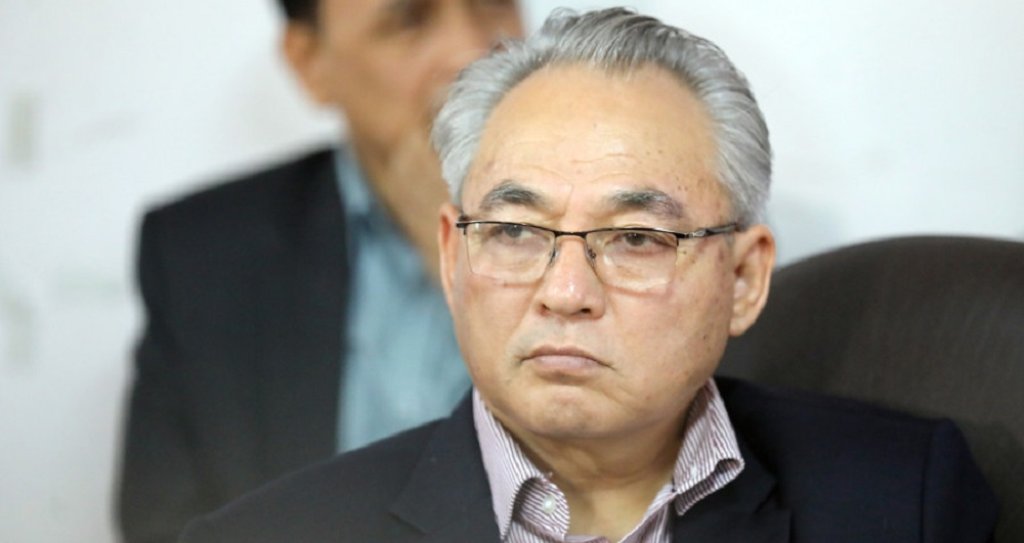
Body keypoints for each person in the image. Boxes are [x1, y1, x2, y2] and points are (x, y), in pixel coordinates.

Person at [179, 8, 998, 543]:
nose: (565, 292)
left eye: (636, 238)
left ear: (745, 278)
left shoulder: (902, 501)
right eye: (514, 230)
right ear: (454, 256)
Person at [116, 1, 524, 542]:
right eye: (408, 22)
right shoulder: (203, 254)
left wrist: (476, 253)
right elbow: (164, 527)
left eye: (494, 3)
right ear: (311, 63)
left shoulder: (620, 229)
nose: (474, 51)